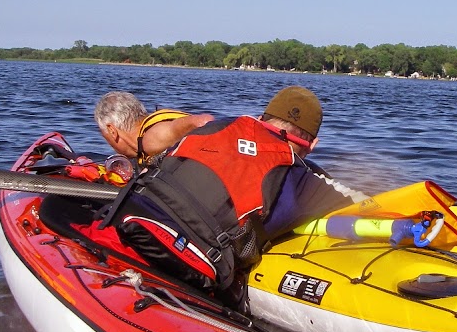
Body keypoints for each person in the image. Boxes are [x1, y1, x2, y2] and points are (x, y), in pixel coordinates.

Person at [94, 86, 366, 311]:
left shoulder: (221, 125)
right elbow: (366, 205)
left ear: (262, 117)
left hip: (132, 216)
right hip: (187, 259)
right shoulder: (299, 179)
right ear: (313, 145)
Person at [93, 91, 213, 166]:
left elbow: (204, 121)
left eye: (104, 135)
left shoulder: (150, 139)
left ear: (112, 131)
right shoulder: (145, 143)